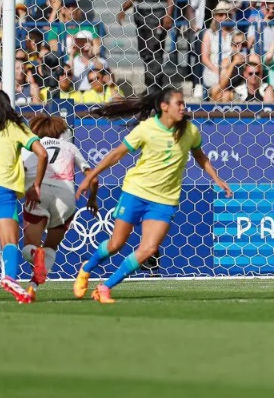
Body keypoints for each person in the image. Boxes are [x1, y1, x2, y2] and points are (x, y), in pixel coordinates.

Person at [73, 88, 233, 303]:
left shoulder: (190, 131)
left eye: (183, 103)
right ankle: (86, 268)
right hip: (136, 192)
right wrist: (89, 177)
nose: (183, 107)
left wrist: (216, 178)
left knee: (148, 249)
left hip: (165, 200)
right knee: (116, 245)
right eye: (179, 103)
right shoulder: (146, 129)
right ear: (164, 107)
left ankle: (105, 287)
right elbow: (116, 154)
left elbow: (200, 156)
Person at [0, 91, 48, 303]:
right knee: (9, 241)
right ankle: (10, 278)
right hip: (0, 188)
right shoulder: (16, 127)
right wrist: (36, 186)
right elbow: (43, 153)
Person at [20, 114, 97, 299]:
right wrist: (92, 199)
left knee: (29, 248)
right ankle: (33, 288)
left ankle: (34, 255)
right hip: (66, 198)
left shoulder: (29, 147)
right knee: (50, 248)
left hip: (38, 194)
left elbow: (17, 172)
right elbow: (93, 177)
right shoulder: (70, 147)